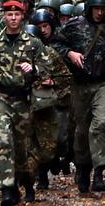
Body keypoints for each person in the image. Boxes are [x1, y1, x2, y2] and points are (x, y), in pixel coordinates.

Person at [0, 0, 48, 206]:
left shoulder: (33, 42)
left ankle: (26, 182)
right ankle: (7, 188)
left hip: (23, 100)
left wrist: (33, 69)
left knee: (22, 146)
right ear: (4, 16)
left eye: (17, 15)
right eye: (9, 15)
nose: (13, 18)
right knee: (4, 139)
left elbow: (47, 67)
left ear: (22, 16)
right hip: (1, 98)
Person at [58, 0, 105, 192]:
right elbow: (55, 44)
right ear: (89, 8)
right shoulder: (74, 25)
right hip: (80, 85)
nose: (99, 13)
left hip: (103, 83)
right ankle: (83, 168)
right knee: (82, 131)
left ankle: (100, 171)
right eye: (96, 8)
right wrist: (70, 53)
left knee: (101, 122)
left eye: (103, 9)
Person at [28, 10, 72, 191]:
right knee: (32, 143)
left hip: (49, 105)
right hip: (26, 106)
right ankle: (40, 177)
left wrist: (52, 84)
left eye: (45, 26)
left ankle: (54, 160)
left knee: (54, 141)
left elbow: (65, 77)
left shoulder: (51, 54)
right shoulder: (15, 55)